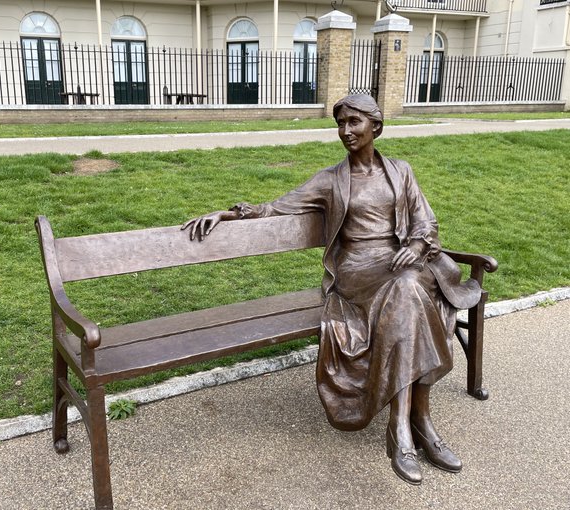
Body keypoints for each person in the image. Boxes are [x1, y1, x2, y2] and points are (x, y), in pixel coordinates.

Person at [182, 94, 481, 485]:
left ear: (375, 126)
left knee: (409, 290)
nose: (345, 131)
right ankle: (411, 425)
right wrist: (230, 213)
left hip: (401, 264)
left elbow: (426, 222)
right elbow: (275, 207)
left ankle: (411, 426)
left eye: (354, 122)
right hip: (357, 270)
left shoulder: (400, 171)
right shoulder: (330, 179)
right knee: (409, 293)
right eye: (340, 123)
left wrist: (415, 246)